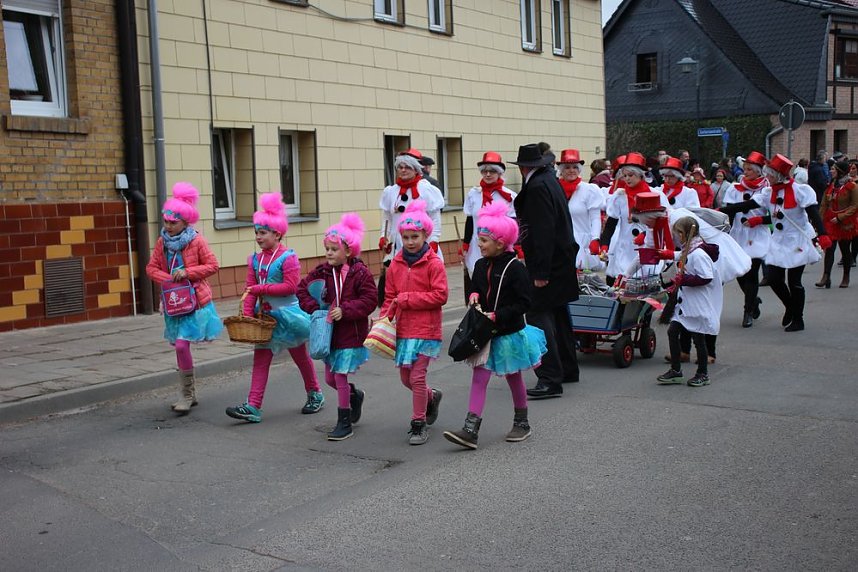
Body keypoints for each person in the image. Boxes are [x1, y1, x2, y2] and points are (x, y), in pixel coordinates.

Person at [443, 201, 546, 450]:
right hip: (484, 333)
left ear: (500, 243)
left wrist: (498, 315)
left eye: (484, 240)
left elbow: (524, 303)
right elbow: (476, 287)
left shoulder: (515, 269)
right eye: (479, 239)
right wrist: (474, 296)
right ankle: (470, 430)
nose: (479, 244)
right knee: (479, 378)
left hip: (509, 333)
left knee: (513, 377)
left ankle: (522, 422)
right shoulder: (480, 265)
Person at [225, 193, 323, 423]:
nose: (258, 237)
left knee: (300, 357)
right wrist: (248, 315)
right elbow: (251, 289)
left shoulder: (288, 258)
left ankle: (315, 393)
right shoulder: (255, 260)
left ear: (277, 234)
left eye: (263, 232)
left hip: (289, 317)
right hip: (266, 319)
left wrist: (261, 289)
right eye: (256, 232)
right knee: (260, 359)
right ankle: (253, 406)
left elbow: (290, 287)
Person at [721, 154, 832, 332]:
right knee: (773, 278)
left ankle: (798, 319)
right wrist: (719, 211)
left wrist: (823, 234)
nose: (767, 178)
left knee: (795, 282)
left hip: (797, 240)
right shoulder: (768, 192)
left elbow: (813, 214)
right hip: (778, 241)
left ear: (778, 175)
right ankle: (790, 306)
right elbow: (746, 206)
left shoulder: (800, 191)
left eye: (770, 175)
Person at [297, 213, 378, 441]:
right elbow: (301, 289)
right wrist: (315, 308)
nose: (329, 253)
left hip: (350, 334)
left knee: (340, 377)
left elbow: (370, 299)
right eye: (327, 249)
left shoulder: (359, 272)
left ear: (349, 251)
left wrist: (346, 309)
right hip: (328, 335)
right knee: (331, 379)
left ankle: (344, 422)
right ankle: (355, 395)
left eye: (334, 249)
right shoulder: (322, 271)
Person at [146, 182, 223, 414]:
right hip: (173, 302)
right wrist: (169, 278)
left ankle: (187, 395)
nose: (168, 226)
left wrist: (188, 273)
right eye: (166, 221)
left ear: (185, 221)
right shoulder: (162, 243)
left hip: (196, 302)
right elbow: (151, 268)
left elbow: (213, 265)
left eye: (173, 222)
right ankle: (189, 393)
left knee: (181, 345)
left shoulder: (196, 241)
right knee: (180, 347)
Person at [511, 143, 580, 399]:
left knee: (539, 317)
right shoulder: (549, 180)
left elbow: (542, 231)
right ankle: (568, 368)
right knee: (560, 316)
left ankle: (550, 377)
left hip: (548, 263)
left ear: (522, 168)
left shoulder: (538, 186)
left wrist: (539, 272)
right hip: (561, 259)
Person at [379, 200, 448, 445]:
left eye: (415, 236)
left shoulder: (434, 263)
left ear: (425, 235)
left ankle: (418, 423)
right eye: (406, 236)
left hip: (427, 330)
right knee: (406, 379)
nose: (410, 241)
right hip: (403, 331)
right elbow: (389, 297)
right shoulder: (395, 264)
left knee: (417, 377)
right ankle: (431, 396)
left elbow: (440, 296)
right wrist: (383, 319)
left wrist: (407, 299)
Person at [657, 216, 722, 388]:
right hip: (685, 303)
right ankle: (676, 370)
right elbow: (681, 256)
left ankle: (703, 374)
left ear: (686, 233)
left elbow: (706, 277)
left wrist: (684, 279)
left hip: (697, 303)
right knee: (672, 332)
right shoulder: (690, 249)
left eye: (679, 232)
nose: (677, 236)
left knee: (698, 339)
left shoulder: (699, 254)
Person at [378, 148, 445, 306]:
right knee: (396, 285)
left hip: (421, 245)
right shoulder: (391, 192)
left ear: (415, 168)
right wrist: (384, 236)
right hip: (398, 246)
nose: (403, 170)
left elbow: (435, 218)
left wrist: (434, 240)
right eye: (400, 167)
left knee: (420, 283)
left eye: (407, 167)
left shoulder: (426, 189)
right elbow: (387, 217)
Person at [600, 152, 670, 284]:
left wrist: (645, 234)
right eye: (625, 176)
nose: (627, 179)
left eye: (631, 175)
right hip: (625, 248)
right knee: (623, 289)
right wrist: (604, 245)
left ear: (640, 175)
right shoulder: (619, 196)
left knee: (646, 288)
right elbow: (611, 223)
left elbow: (664, 223)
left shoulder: (656, 195)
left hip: (648, 247)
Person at [721, 151, 771, 328]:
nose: (746, 172)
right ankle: (754, 300)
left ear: (759, 171)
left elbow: (777, 216)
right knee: (739, 273)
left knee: (751, 273)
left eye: (750, 169)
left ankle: (748, 311)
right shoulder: (735, 188)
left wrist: (760, 220)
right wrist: (725, 231)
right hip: (739, 235)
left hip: (757, 236)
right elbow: (730, 212)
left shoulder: (767, 189)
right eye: (745, 168)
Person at [461, 152, 517, 278]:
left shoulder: (510, 197)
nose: (488, 174)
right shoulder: (473, 194)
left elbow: (514, 226)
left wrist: (517, 248)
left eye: (492, 171)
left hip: (499, 249)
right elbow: (470, 220)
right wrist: (465, 244)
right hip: (476, 247)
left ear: (499, 173)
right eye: (484, 171)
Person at [556, 149, 605, 271]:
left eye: (575, 167)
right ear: (561, 170)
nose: (571, 170)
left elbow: (595, 218)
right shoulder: (555, 189)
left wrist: (595, 239)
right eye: (567, 167)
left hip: (583, 243)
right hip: (561, 242)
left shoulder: (589, 190)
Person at [816, 160, 858, 289]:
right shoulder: (831, 186)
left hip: (845, 222)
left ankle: (846, 276)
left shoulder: (852, 186)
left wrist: (840, 217)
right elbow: (824, 204)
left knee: (845, 250)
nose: (830, 171)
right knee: (829, 248)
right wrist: (819, 221)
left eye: (833, 169)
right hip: (830, 221)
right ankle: (826, 276)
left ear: (840, 171)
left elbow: (855, 206)